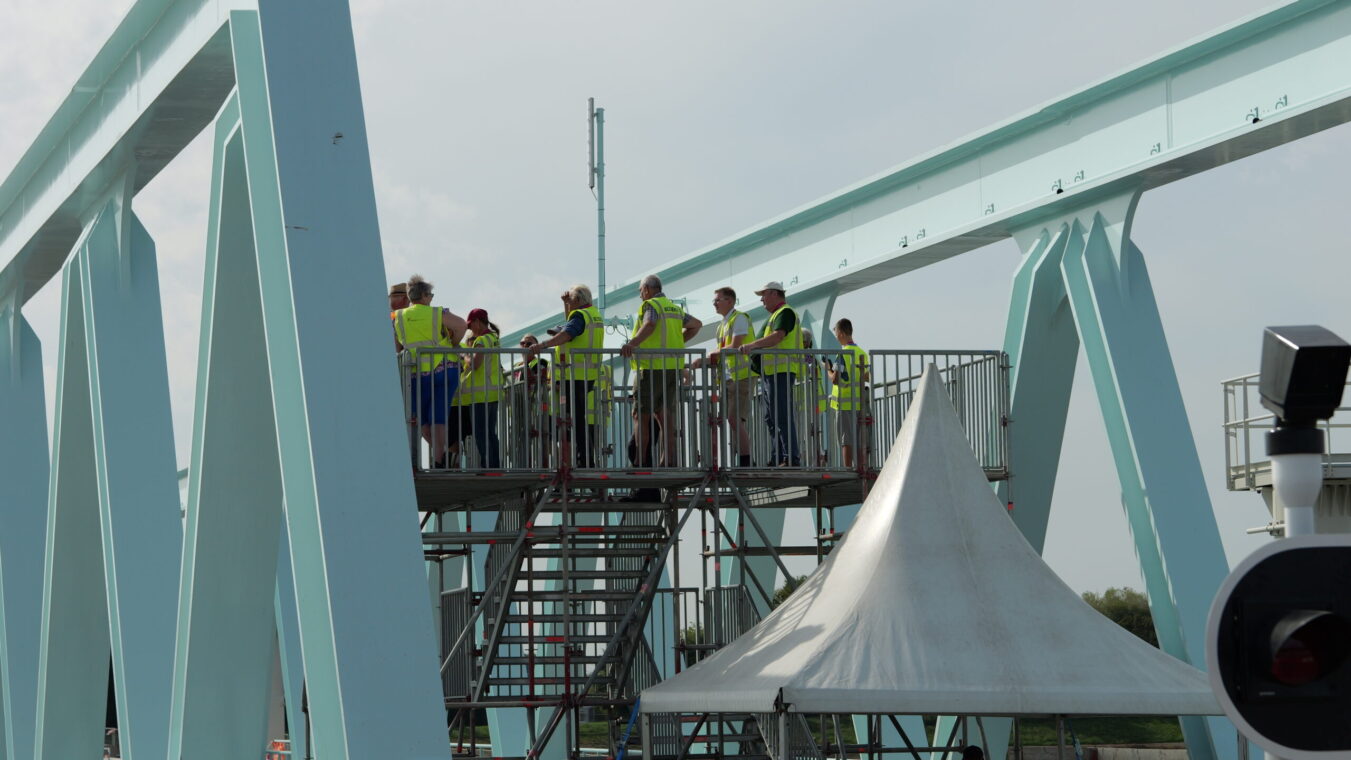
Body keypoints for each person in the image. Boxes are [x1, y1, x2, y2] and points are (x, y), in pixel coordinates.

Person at [620, 275, 702, 469]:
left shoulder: (651, 305)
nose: (640, 295)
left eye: (640, 291)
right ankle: (669, 460)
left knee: (641, 415)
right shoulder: (673, 307)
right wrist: (679, 343)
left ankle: (641, 462)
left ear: (647, 289)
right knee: (664, 416)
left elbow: (649, 324)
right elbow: (696, 324)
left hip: (650, 368)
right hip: (672, 368)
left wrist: (631, 344)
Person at [393, 275, 467, 468]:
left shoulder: (399, 316)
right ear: (424, 296)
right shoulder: (436, 313)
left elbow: (398, 347)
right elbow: (461, 325)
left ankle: (440, 455)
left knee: (423, 419)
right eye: (431, 295)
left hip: (415, 372)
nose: (432, 298)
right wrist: (453, 343)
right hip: (443, 369)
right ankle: (440, 458)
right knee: (439, 417)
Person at [526, 285, 604, 467]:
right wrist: (566, 304)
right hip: (587, 373)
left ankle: (585, 460)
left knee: (574, 420)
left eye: (572, 300)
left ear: (577, 301)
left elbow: (567, 333)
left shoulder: (580, 316)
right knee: (576, 419)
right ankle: (584, 459)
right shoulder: (594, 314)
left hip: (574, 374)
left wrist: (543, 345)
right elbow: (570, 324)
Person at [738, 281, 802, 466]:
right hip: (771, 372)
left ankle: (790, 457)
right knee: (771, 417)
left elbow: (778, 336)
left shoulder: (785, 312)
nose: (761, 300)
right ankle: (778, 457)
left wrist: (752, 345)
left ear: (774, 294)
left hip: (781, 371)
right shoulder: (777, 315)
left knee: (781, 415)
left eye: (764, 295)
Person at [702, 286, 756, 467]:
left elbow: (734, 346)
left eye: (718, 300)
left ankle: (746, 461)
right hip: (729, 378)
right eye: (714, 301)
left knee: (734, 418)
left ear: (730, 301)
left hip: (742, 376)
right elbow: (722, 353)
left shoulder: (739, 318)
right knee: (733, 420)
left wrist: (711, 356)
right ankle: (742, 459)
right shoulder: (722, 325)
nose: (715, 304)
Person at [461, 309, 504, 468]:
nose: (470, 329)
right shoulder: (494, 338)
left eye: (471, 325)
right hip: (492, 391)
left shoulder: (482, 340)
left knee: (481, 433)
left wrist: (464, 356)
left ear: (478, 322)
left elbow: (475, 364)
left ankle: (488, 466)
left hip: (481, 394)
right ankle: (494, 466)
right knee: (490, 432)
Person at [827, 318, 870, 469]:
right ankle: (860, 467)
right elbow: (867, 377)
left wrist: (828, 369)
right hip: (859, 402)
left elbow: (835, 379)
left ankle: (847, 469)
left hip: (844, 403)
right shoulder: (862, 353)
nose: (836, 336)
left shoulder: (842, 354)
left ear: (841, 333)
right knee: (858, 438)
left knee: (846, 439)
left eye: (836, 333)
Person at [511, 333, 550, 467]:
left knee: (539, 441)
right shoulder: (516, 365)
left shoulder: (540, 362)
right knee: (520, 441)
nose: (525, 346)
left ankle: (541, 469)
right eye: (522, 343)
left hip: (535, 410)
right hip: (519, 410)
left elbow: (537, 378)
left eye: (529, 343)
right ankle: (522, 467)